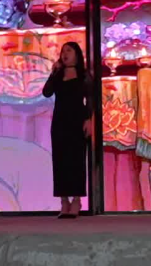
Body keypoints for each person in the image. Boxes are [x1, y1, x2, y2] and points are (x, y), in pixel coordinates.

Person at [42, 42, 92, 219]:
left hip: (77, 121)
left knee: (77, 161)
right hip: (60, 121)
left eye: (69, 51)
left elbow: (90, 98)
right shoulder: (58, 74)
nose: (65, 54)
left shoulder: (84, 75)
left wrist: (89, 119)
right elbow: (46, 92)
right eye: (63, 51)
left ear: (77, 54)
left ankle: (77, 200)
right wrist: (53, 72)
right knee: (60, 161)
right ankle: (64, 201)